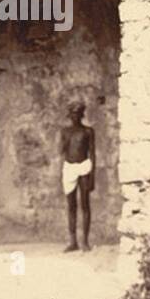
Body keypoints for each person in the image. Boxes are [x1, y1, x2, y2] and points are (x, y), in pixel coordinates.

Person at [59, 102, 95, 252]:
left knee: (85, 204)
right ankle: (73, 241)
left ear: (81, 115)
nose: (74, 117)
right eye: (72, 114)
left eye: (77, 114)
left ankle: (85, 241)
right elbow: (61, 151)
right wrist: (65, 142)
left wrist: (92, 176)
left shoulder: (88, 131)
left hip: (84, 167)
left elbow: (93, 153)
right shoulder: (65, 131)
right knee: (71, 205)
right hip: (69, 167)